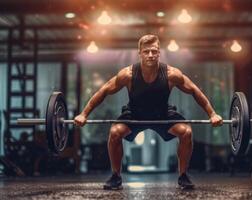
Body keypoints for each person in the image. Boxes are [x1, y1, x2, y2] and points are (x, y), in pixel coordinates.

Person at [74, 34, 223, 190]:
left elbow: (194, 90)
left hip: (162, 114)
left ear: (159, 52)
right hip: (135, 115)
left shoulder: (172, 74)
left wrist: (212, 114)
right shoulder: (128, 75)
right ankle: (116, 176)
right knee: (115, 132)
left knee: (186, 132)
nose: (150, 55)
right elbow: (103, 91)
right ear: (140, 53)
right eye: (146, 51)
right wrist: (84, 114)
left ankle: (183, 175)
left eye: (154, 51)